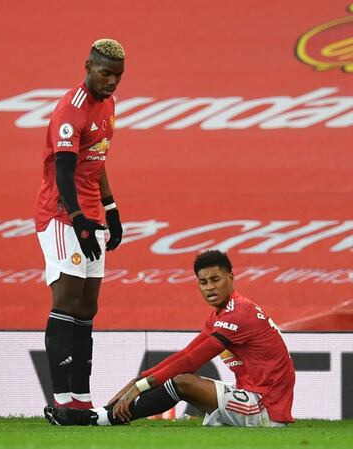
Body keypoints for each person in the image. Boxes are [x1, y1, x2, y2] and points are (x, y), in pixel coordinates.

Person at [44, 250, 295, 427]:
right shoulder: (222, 314)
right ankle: (103, 415)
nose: (209, 288)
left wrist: (139, 388)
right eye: (203, 282)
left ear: (231, 277)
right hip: (253, 396)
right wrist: (137, 380)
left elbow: (191, 360)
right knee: (180, 381)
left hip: (265, 407)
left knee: (183, 382)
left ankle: (99, 418)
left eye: (216, 280)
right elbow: (185, 353)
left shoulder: (239, 314)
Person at [35, 38, 125, 409]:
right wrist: (78, 221)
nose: (112, 81)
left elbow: (97, 160)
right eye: (106, 73)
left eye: (118, 76)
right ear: (87, 66)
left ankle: (82, 400)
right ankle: (60, 402)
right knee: (68, 301)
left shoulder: (108, 104)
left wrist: (112, 207)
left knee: (88, 308)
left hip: (92, 215)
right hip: (61, 216)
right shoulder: (71, 110)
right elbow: (64, 170)